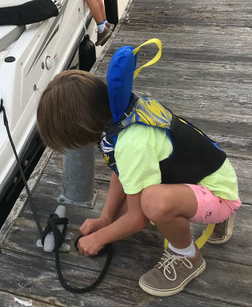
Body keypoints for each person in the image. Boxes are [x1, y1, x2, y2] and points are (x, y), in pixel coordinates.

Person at [36, 69, 240, 297]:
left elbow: (139, 219)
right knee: (124, 213)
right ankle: (210, 212)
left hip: (218, 194)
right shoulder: (122, 116)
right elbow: (122, 172)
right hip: (213, 176)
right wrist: (106, 218)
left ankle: (187, 256)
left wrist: (100, 238)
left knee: (152, 204)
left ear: (79, 128)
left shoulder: (131, 143)